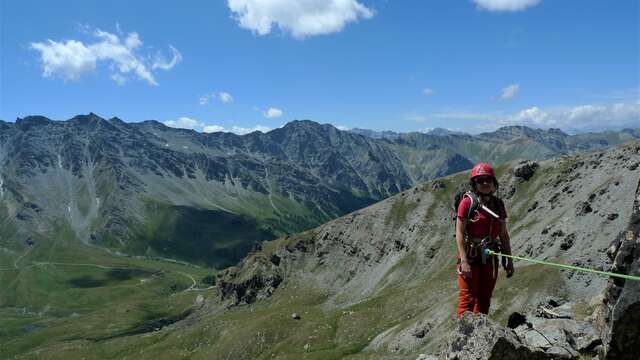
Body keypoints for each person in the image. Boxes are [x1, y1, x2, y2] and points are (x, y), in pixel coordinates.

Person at [455, 162, 514, 318]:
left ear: (494, 183)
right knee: (467, 298)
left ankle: (480, 334)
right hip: (470, 256)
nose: (485, 183)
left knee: (484, 298)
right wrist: (464, 261)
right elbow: (459, 233)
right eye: (480, 180)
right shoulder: (467, 203)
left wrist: (509, 260)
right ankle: (463, 338)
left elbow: (503, 235)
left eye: (488, 180)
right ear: (474, 184)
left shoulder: (498, 205)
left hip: (490, 256)